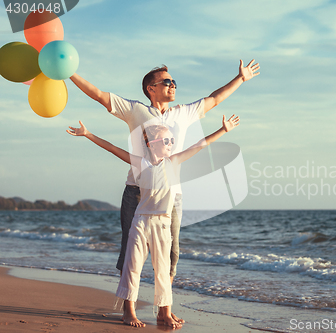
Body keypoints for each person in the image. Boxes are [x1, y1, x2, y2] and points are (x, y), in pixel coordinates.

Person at [70, 60, 259, 324]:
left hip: (172, 195)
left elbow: (215, 99)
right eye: (167, 82)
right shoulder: (135, 110)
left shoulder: (183, 113)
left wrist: (241, 79)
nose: (173, 85)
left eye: (174, 82)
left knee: (171, 254)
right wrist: (69, 73)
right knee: (131, 252)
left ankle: (163, 309)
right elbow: (99, 95)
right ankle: (129, 309)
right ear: (151, 88)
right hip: (137, 192)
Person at [66, 114, 240, 328]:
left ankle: (164, 313)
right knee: (133, 267)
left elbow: (199, 145)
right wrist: (88, 134)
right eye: (166, 141)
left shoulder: (174, 161)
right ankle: (128, 312)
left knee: (163, 269)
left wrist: (223, 130)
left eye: (172, 141)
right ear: (151, 143)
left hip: (163, 224)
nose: (170, 144)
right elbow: (112, 148)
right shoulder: (141, 163)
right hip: (141, 222)